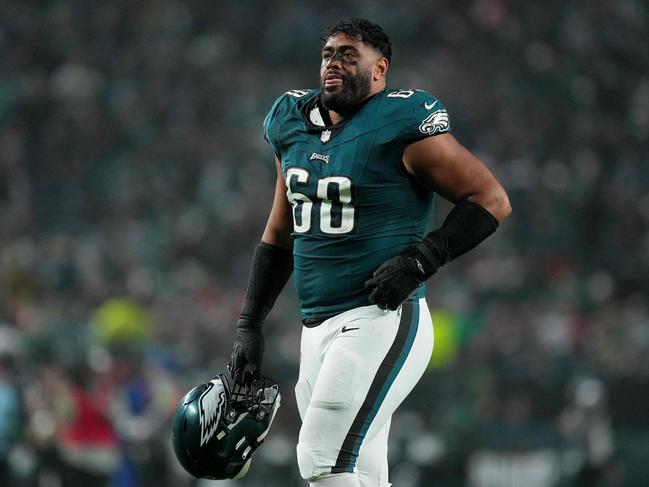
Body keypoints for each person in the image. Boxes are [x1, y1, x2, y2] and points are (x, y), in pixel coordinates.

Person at [228, 17, 511, 487]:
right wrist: (249, 323)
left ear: (380, 70)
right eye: (328, 54)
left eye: (348, 55)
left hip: (380, 318)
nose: (333, 63)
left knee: (320, 456)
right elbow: (281, 229)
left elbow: (491, 199)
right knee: (362, 472)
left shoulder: (402, 121)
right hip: (316, 326)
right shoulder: (290, 122)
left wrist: (424, 259)